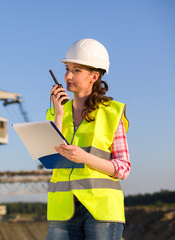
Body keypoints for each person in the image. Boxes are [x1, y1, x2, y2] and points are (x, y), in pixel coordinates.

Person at [45, 39, 131, 240]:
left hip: (101, 210)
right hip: (63, 210)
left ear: (94, 76)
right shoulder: (54, 113)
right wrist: (58, 114)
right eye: (67, 69)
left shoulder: (112, 113)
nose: (68, 76)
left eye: (76, 70)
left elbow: (124, 168)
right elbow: (50, 160)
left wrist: (84, 157)